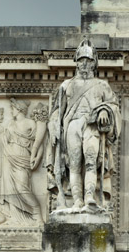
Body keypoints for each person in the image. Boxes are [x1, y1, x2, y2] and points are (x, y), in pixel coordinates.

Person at [48, 39, 120, 210]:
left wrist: (105, 111)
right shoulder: (66, 86)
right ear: (77, 63)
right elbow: (57, 111)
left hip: (92, 126)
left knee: (90, 161)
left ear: (94, 63)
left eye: (88, 61)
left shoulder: (102, 85)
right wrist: (53, 127)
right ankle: (77, 200)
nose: (84, 64)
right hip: (72, 125)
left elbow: (113, 105)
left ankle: (89, 197)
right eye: (81, 61)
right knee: (74, 164)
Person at [0, 99, 46, 224]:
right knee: (10, 189)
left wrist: (37, 157)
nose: (11, 111)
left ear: (19, 109)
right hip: (9, 159)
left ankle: (36, 212)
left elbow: (40, 143)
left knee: (22, 187)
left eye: (13, 108)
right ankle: (15, 218)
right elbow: (5, 141)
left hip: (23, 159)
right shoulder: (10, 124)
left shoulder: (30, 123)